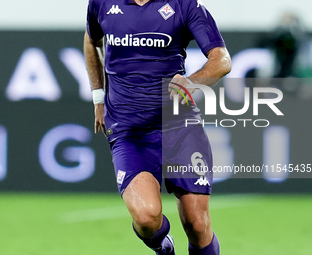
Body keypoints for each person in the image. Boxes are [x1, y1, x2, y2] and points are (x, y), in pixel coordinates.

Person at [84, 0, 231, 254]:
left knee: (197, 224)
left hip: (180, 126)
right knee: (146, 219)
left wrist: (192, 83)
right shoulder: (102, 2)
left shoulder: (184, 5)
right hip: (129, 132)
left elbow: (222, 59)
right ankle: (164, 247)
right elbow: (91, 41)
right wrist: (98, 96)